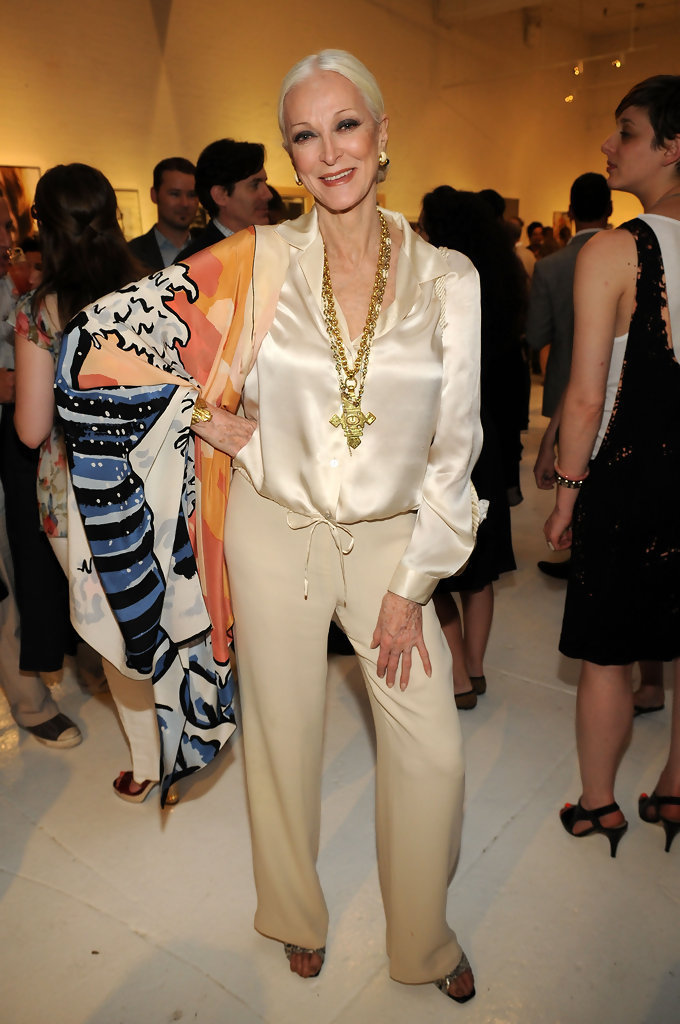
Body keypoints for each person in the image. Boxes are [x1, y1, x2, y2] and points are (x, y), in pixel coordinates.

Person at [55, 49, 482, 1001]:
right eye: (305, 134)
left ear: (383, 134)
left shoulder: (450, 276)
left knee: (433, 753)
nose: (330, 152)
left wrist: (414, 586)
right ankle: (292, 911)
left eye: (346, 125)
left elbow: (457, 448)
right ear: (289, 156)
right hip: (273, 525)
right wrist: (214, 422)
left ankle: (423, 937)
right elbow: (111, 346)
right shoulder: (259, 259)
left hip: (393, 541)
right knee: (284, 735)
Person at [545, 75, 680, 857]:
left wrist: (567, 493)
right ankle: (674, 789)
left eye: (626, 130)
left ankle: (598, 804)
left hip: (633, 482)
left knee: (607, 654)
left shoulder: (615, 250)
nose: (608, 144)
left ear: (672, 146)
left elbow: (586, 394)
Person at [13, 163, 169, 800]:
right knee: (168, 613)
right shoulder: (152, 290)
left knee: (116, 632)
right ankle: (190, 732)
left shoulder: (40, 310)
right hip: (155, 480)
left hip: (78, 498)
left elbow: (31, 430)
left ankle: (150, 764)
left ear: (45, 226)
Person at [419, 187, 518, 709]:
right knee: (481, 565)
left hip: (438, 431)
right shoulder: (502, 279)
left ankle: (456, 674)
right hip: (488, 431)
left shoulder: (437, 281)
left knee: (431, 561)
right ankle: (475, 669)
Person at [176, 139, 271, 260]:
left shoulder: (274, 248)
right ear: (220, 195)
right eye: (255, 185)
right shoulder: (193, 263)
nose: (268, 195)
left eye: (265, 183)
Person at [128, 157, 198, 271]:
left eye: (192, 195)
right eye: (175, 194)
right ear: (154, 195)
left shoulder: (210, 249)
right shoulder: (130, 255)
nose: (184, 203)